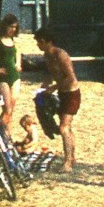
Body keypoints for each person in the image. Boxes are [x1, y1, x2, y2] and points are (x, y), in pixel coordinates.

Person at [33, 29, 79, 171]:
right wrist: (43, 89)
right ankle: (72, 157)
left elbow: (70, 77)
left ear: (48, 42)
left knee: (63, 127)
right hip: (62, 93)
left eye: (40, 42)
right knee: (66, 127)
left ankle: (67, 163)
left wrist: (53, 87)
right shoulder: (47, 56)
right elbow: (49, 74)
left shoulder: (61, 55)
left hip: (71, 93)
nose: (38, 45)